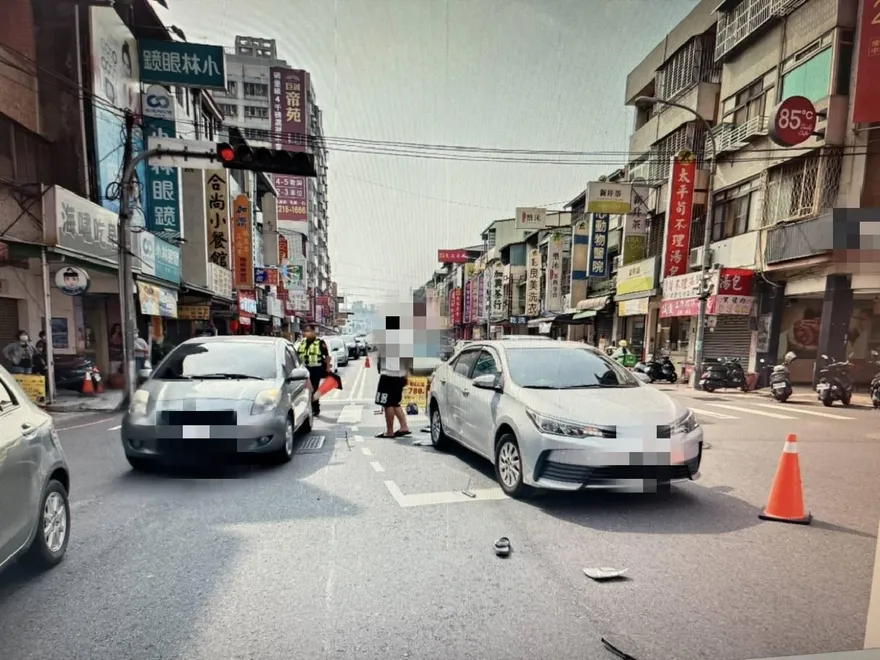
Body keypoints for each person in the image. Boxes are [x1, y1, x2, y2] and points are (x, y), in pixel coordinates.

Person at [375, 352, 412, 439]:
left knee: (388, 404)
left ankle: (390, 431)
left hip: (388, 374)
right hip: (400, 374)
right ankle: (404, 426)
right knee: (395, 402)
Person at [297, 324, 331, 416]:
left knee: (314, 389)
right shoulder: (302, 342)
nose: (306, 333)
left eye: (308, 331)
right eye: (305, 331)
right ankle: (309, 407)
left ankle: (315, 408)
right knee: (307, 390)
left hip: (316, 369)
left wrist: (328, 368)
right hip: (305, 370)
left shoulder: (320, 342)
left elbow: (327, 356)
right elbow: (298, 356)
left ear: (313, 332)